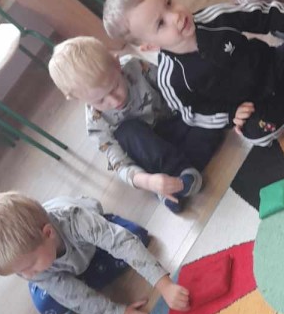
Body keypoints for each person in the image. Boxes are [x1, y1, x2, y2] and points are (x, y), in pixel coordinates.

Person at [102, 0, 284, 154]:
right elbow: (192, 113)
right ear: (150, 46)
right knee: (256, 132)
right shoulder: (170, 78)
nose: (176, 16)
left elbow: (262, 14)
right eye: (161, 23)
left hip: (273, 65)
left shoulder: (214, 18)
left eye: (169, 3)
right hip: (252, 105)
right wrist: (230, 115)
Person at [0, 192, 189, 314]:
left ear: (48, 233)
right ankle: (85, 300)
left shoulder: (75, 220)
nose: (28, 275)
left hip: (92, 242)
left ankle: (86, 295)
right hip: (66, 270)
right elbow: (69, 293)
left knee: (135, 238)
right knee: (48, 304)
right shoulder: (32, 268)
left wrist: (165, 285)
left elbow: (122, 243)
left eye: (29, 266)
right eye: (19, 273)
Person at [48, 36, 223, 213]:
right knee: (127, 131)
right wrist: (149, 182)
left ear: (116, 64)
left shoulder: (134, 66)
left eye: (115, 86)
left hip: (175, 123)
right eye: (100, 101)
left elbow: (172, 86)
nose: (114, 100)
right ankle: (176, 177)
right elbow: (121, 165)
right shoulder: (96, 123)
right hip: (152, 155)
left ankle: (177, 181)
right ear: (79, 99)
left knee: (212, 118)